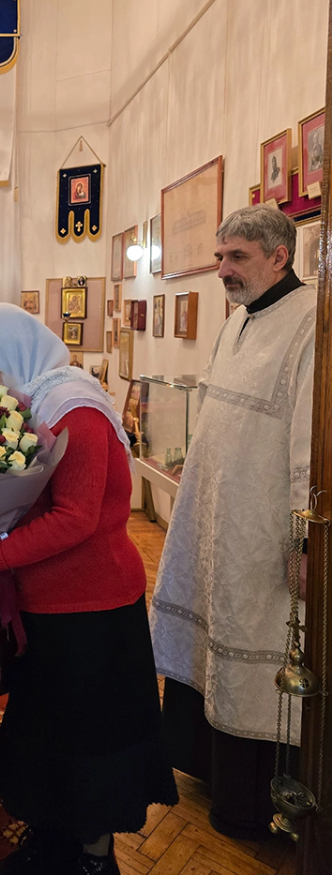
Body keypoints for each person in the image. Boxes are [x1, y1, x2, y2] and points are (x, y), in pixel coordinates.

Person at [0, 304, 178, 875]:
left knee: (89, 745)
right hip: (47, 603)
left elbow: (75, 519)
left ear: (8, 353)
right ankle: (50, 844)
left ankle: (94, 859)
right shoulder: (34, 402)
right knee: (50, 735)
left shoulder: (77, 411)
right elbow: (20, 500)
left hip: (91, 609)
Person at [149, 204, 316, 840]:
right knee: (210, 635)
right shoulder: (238, 321)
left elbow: (308, 447)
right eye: (220, 256)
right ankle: (204, 766)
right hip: (215, 516)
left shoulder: (311, 323)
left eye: (236, 257)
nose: (221, 269)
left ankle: (250, 802)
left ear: (279, 256)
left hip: (262, 530)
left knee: (253, 644)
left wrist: (303, 542)